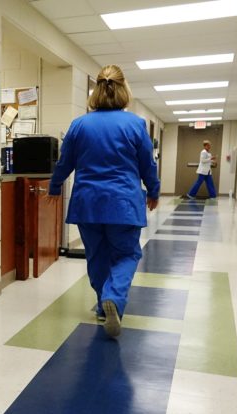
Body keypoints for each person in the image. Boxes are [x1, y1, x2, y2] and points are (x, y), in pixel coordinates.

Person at [45, 65, 160, 338]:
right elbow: (148, 164)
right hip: (123, 203)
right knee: (127, 254)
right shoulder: (135, 124)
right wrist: (154, 191)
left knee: (97, 255)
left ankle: (102, 305)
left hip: (88, 203)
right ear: (123, 90)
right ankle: (114, 298)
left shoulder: (79, 124)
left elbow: (64, 163)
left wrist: (54, 186)